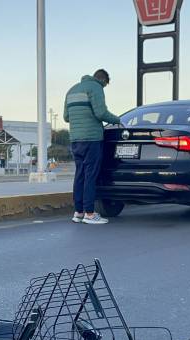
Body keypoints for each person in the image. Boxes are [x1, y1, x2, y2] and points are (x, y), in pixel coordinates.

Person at [63, 69, 122, 225]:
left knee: (80, 174)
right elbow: (101, 113)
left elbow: (66, 117)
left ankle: (78, 212)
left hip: (75, 139)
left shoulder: (72, 89)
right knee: (91, 175)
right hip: (92, 139)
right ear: (103, 80)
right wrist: (117, 120)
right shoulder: (96, 87)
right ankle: (90, 213)